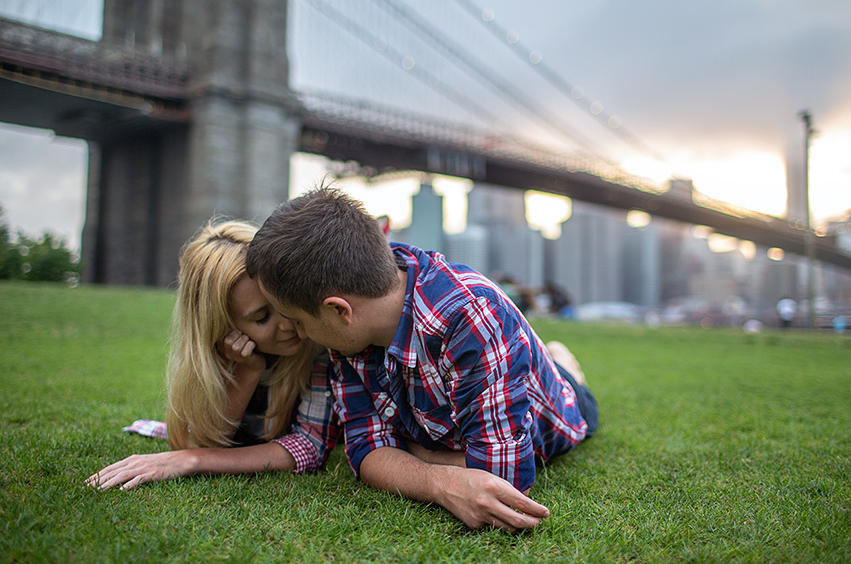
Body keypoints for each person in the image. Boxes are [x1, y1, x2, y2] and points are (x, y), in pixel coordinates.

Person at [245, 187, 598, 532]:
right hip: (458, 410)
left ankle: (564, 365)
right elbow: (366, 451)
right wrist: (438, 480)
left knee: (571, 387)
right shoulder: (355, 319)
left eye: (301, 322)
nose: (301, 335)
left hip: (560, 409)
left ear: (339, 310)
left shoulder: (471, 315)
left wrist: (409, 455)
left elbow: (502, 476)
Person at [87, 220, 339, 490]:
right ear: (223, 327)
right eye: (263, 317)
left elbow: (309, 446)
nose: (289, 323)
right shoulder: (223, 355)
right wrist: (248, 371)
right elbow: (202, 440)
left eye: (284, 301)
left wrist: (191, 461)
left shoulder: (318, 340)